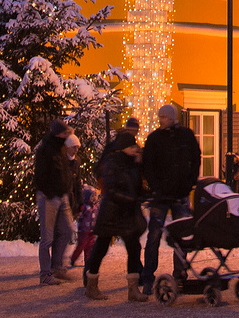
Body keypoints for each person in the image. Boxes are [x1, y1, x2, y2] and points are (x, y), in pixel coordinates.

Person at [140, 105, 201, 293]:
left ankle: (180, 273)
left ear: (172, 118)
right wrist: (156, 186)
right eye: (160, 117)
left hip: (180, 193)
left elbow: (196, 157)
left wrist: (190, 181)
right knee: (154, 235)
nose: (161, 120)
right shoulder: (154, 139)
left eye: (164, 117)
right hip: (161, 195)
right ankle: (149, 276)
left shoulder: (185, 136)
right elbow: (147, 165)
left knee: (182, 235)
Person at [84, 129, 146, 302]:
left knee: (134, 248)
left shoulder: (133, 164)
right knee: (101, 248)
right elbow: (111, 190)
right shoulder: (112, 163)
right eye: (132, 146)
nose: (136, 149)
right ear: (124, 147)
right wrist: (131, 199)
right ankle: (91, 285)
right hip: (111, 213)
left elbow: (138, 187)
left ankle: (133, 290)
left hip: (126, 214)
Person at [33, 120, 82, 286]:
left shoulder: (61, 148)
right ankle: (45, 273)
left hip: (62, 196)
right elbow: (40, 176)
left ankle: (57, 266)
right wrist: (50, 193)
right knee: (47, 238)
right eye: (64, 133)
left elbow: (68, 171)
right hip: (49, 198)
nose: (66, 136)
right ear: (57, 133)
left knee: (67, 231)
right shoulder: (45, 150)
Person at [69, 181, 98, 268]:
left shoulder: (96, 207)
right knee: (82, 245)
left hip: (92, 229)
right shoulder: (85, 206)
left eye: (94, 196)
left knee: (90, 246)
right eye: (92, 196)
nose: (93, 198)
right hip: (84, 230)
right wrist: (78, 212)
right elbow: (79, 214)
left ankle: (88, 261)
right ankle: (73, 258)